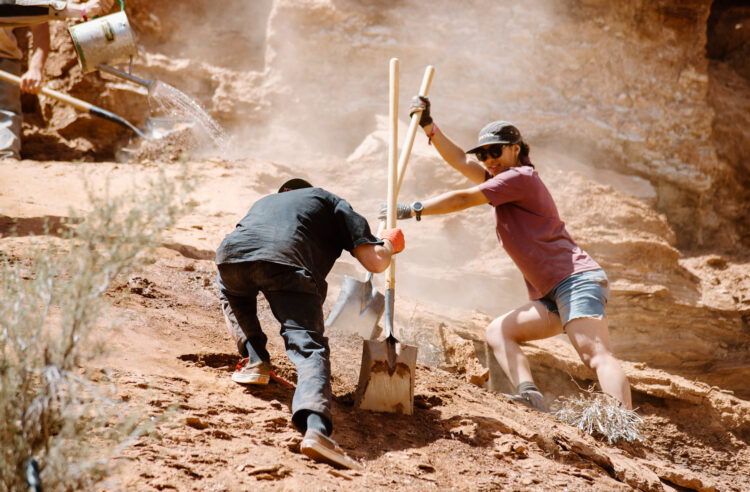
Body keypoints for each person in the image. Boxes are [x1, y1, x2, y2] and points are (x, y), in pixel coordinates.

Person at [390, 96, 632, 412]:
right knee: (499, 331)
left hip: (575, 280)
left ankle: (623, 422)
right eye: (483, 153)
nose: (488, 159)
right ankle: (531, 396)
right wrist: (428, 126)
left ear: (515, 149)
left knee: (595, 354)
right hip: (551, 294)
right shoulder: (504, 181)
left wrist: (413, 209)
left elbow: (464, 198)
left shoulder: (521, 178)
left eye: (495, 150)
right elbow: (462, 164)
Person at [215, 178, 405, 470]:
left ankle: (254, 359)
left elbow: (253, 247)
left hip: (230, 257)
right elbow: (376, 263)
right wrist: (390, 243)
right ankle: (316, 431)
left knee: (232, 292)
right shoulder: (330, 201)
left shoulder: (264, 202)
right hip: (286, 264)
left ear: (285, 193)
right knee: (308, 348)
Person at [0, 0, 113, 159]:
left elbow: (29, 16)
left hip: (4, 60)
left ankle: (6, 159)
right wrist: (79, 10)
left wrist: (35, 69)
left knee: (5, 116)